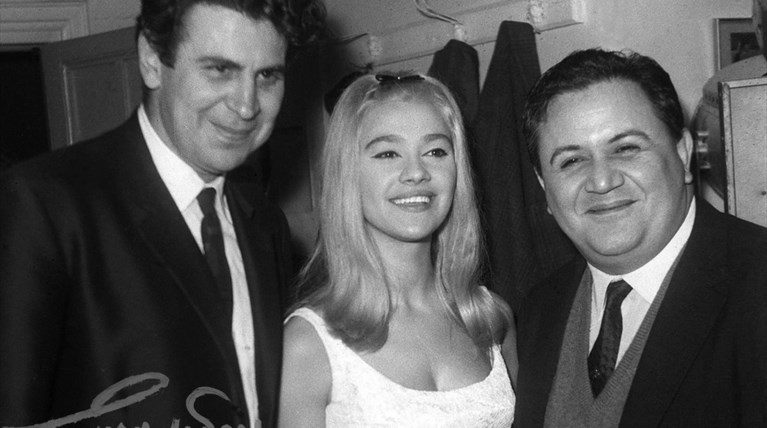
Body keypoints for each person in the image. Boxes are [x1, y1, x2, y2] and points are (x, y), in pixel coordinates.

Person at [0, 0, 325, 426]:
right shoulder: (44, 204)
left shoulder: (263, 223)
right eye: (220, 70)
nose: (247, 106)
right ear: (152, 60)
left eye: (267, 76)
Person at [514, 48, 767, 427]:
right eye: (572, 161)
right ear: (544, 187)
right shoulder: (539, 310)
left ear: (683, 153)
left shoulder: (759, 288)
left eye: (626, 148)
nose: (602, 181)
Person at [278, 73, 517, 427]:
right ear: (348, 174)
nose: (416, 172)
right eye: (388, 153)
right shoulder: (307, 345)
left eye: (435, 151)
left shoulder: (490, 318)